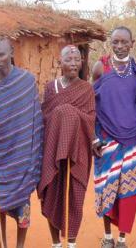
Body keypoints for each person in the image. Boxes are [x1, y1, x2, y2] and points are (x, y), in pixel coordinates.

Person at [0, 38, 43, 248]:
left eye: (0, 54)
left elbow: (34, 117)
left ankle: (19, 246)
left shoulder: (26, 80)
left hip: (19, 151)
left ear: (11, 52)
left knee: (22, 204)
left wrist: (30, 149)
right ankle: (3, 243)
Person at [92, 26, 136, 248]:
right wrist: (93, 138)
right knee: (106, 188)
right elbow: (92, 105)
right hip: (105, 139)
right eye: (115, 42)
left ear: (132, 43)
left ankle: (122, 239)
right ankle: (108, 237)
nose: (119, 46)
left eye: (124, 42)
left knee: (128, 191)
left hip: (130, 140)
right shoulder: (101, 67)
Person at [38, 45, 95, 248]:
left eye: (77, 59)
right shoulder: (50, 87)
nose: (73, 63)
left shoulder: (86, 88)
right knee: (52, 191)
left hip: (77, 151)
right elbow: (44, 117)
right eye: (69, 59)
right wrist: (63, 114)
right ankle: (56, 243)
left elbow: (90, 118)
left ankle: (71, 242)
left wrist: (68, 113)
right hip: (53, 149)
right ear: (60, 62)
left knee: (75, 196)